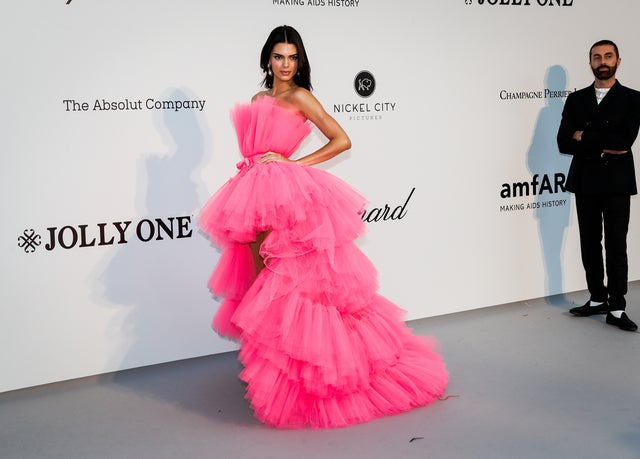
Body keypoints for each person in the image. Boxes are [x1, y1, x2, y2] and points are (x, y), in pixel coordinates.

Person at [198, 25, 449, 428]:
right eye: (279, 56)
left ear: (300, 61)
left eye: (292, 57)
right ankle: (278, 373)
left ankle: (312, 379)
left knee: (293, 286)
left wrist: (290, 165)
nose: (285, 64)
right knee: (263, 286)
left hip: (284, 197)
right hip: (251, 196)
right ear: (267, 59)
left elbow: (341, 140)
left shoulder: (300, 96)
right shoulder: (259, 98)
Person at [557, 39, 640, 332]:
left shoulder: (633, 98)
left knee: (617, 245)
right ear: (590, 62)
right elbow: (563, 142)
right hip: (586, 181)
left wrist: (585, 136)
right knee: (589, 243)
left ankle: (617, 307)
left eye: (608, 56)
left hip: (617, 183)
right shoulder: (576, 99)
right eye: (596, 57)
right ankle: (597, 297)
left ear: (618, 60)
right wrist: (603, 144)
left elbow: (624, 142)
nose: (602, 61)